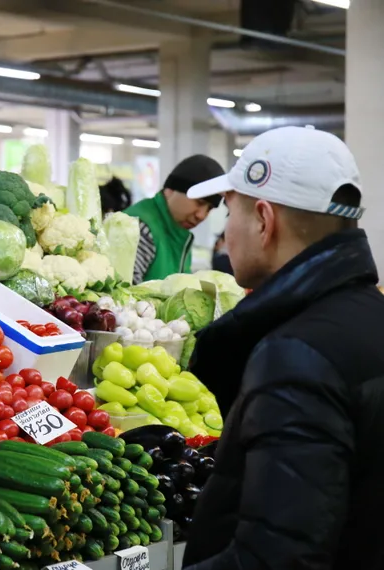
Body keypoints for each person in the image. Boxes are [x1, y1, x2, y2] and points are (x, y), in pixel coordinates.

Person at [180, 126, 384, 569]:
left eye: (229, 211)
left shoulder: (296, 356)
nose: (226, 231)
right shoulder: (370, 315)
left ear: (264, 221)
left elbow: (276, 558)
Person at [124, 155, 225, 283]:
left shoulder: (179, 235)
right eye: (199, 202)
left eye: (209, 208)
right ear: (170, 190)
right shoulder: (139, 229)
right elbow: (123, 291)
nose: (201, 215)